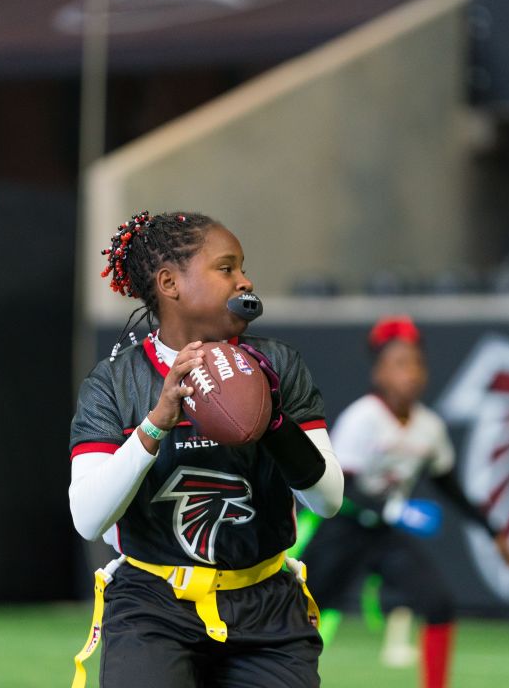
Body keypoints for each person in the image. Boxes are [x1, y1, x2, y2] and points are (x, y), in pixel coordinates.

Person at [67, 211, 344, 688]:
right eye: (227, 268)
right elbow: (89, 519)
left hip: (267, 605)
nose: (245, 280)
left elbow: (329, 499)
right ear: (170, 283)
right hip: (153, 605)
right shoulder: (114, 383)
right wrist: (155, 425)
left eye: (242, 268)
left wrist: (271, 419)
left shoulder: (279, 365)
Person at [302, 315, 509, 688]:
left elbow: (451, 488)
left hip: (385, 535)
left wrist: (494, 533)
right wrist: (395, 509)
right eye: (399, 364)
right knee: (300, 613)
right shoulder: (363, 418)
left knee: (439, 604)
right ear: (380, 373)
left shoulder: (429, 427)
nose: (411, 373)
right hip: (343, 529)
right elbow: (344, 486)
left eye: (416, 363)